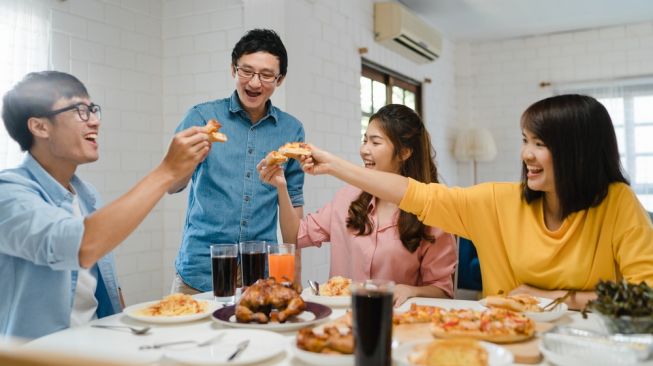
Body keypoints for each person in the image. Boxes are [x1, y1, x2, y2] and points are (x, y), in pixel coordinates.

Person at [300, 94, 653, 310]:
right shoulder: (499, 202)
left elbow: (647, 295)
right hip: (504, 342)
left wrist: (559, 297)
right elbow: (418, 193)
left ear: (578, 152)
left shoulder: (618, 204)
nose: (526, 154)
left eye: (540, 144)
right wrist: (335, 166)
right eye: (525, 140)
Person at [0, 71, 210, 339]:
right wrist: (167, 171)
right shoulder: (8, 194)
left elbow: (105, 290)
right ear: (40, 127)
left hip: (94, 346)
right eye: (80, 111)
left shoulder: (87, 196)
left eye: (93, 110)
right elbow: (82, 246)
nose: (95, 122)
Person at [258, 104, 457, 306]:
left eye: (375, 142)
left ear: (404, 152)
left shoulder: (431, 210)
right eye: (364, 140)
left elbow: (442, 291)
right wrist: (281, 188)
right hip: (342, 323)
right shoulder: (347, 199)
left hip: (396, 322)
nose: (364, 150)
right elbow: (294, 236)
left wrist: (411, 290)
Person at [170, 29, 305, 294]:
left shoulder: (292, 131)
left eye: (266, 75)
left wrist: (294, 275)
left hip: (261, 277)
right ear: (233, 69)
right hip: (199, 273)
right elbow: (172, 186)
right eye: (247, 71)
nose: (254, 83)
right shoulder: (200, 117)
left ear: (280, 79)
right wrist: (188, 160)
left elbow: (293, 230)